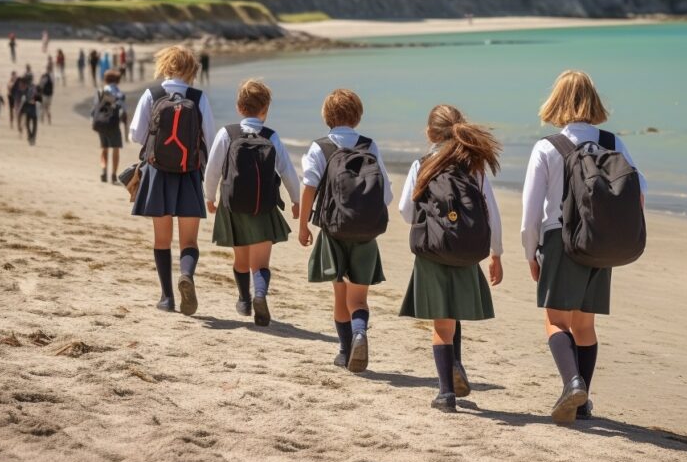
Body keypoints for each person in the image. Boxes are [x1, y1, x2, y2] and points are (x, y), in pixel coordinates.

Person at [520, 70, 647, 423]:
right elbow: (640, 192)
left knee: (555, 321)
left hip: (560, 240)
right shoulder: (613, 142)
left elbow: (530, 212)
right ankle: (583, 402)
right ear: (594, 101)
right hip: (600, 241)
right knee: (585, 326)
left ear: (556, 102)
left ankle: (572, 382)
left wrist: (530, 252)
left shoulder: (547, 147)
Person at [397, 105, 503, 412]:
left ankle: (445, 393)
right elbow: (490, 213)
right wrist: (497, 253)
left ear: (429, 133)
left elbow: (406, 210)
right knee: (453, 315)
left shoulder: (422, 165)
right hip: (467, 250)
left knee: (441, 322)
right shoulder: (474, 165)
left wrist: (432, 220)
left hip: (433, 249)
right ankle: (456, 364)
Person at [298, 89, 393, 371]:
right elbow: (385, 192)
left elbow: (309, 187)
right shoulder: (369, 146)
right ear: (358, 115)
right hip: (365, 231)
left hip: (333, 230)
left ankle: (344, 350)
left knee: (340, 294)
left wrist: (303, 225)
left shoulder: (320, 147)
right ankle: (360, 331)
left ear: (327, 116)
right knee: (359, 297)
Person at [204, 80, 300, 326]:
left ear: (239, 107)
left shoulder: (227, 133)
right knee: (261, 263)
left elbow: (213, 169)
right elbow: (288, 171)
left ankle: (244, 299)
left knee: (241, 260)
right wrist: (296, 200)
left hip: (232, 204)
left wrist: (210, 196)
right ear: (265, 109)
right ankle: (259, 294)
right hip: (264, 206)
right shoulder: (271, 136)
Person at [129, 46, 215, 315]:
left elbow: (135, 134)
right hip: (188, 174)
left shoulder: (152, 94)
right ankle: (186, 274)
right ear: (192, 70)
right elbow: (210, 141)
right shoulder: (198, 98)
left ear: (164, 65)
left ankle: (166, 298)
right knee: (189, 241)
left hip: (157, 174)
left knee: (161, 240)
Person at [92, 69, 128, 183]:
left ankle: (104, 171)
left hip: (101, 123)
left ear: (106, 80)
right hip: (113, 124)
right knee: (115, 149)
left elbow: (94, 110)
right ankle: (113, 175)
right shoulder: (119, 93)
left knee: (104, 148)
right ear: (117, 80)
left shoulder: (101, 91)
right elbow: (123, 110)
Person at [19, 77, 42, 145]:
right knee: (34, 125)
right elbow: (39, 98)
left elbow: (24, 98)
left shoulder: (27, 89)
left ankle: (30, 136)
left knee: (28, 123)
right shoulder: (35, 87)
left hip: (30, 107)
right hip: (34, 107)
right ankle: (32, 137)